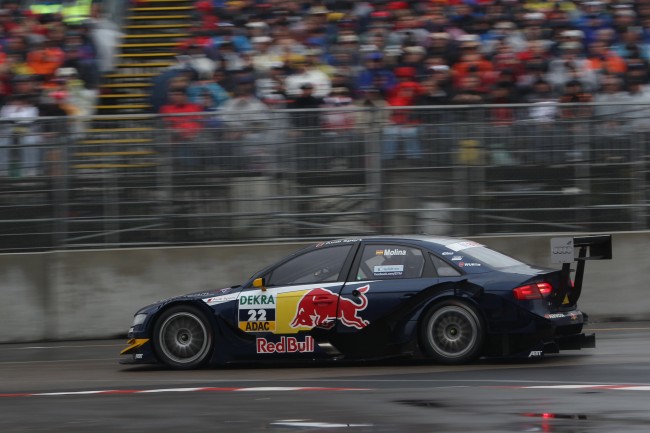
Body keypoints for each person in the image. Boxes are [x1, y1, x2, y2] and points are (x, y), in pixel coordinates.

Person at [0, 93, 41, 176]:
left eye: (20, 100)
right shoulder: (6, 108)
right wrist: (16, 111)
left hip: (27, 131)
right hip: (8, 131)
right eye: (15, 100)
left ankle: (30, 170)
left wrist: (20, 113)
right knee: (2, 142)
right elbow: (6, 120)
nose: (17, 102)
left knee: (30, 142)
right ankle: (3, 170)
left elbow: (29, 121)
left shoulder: (32, 109)